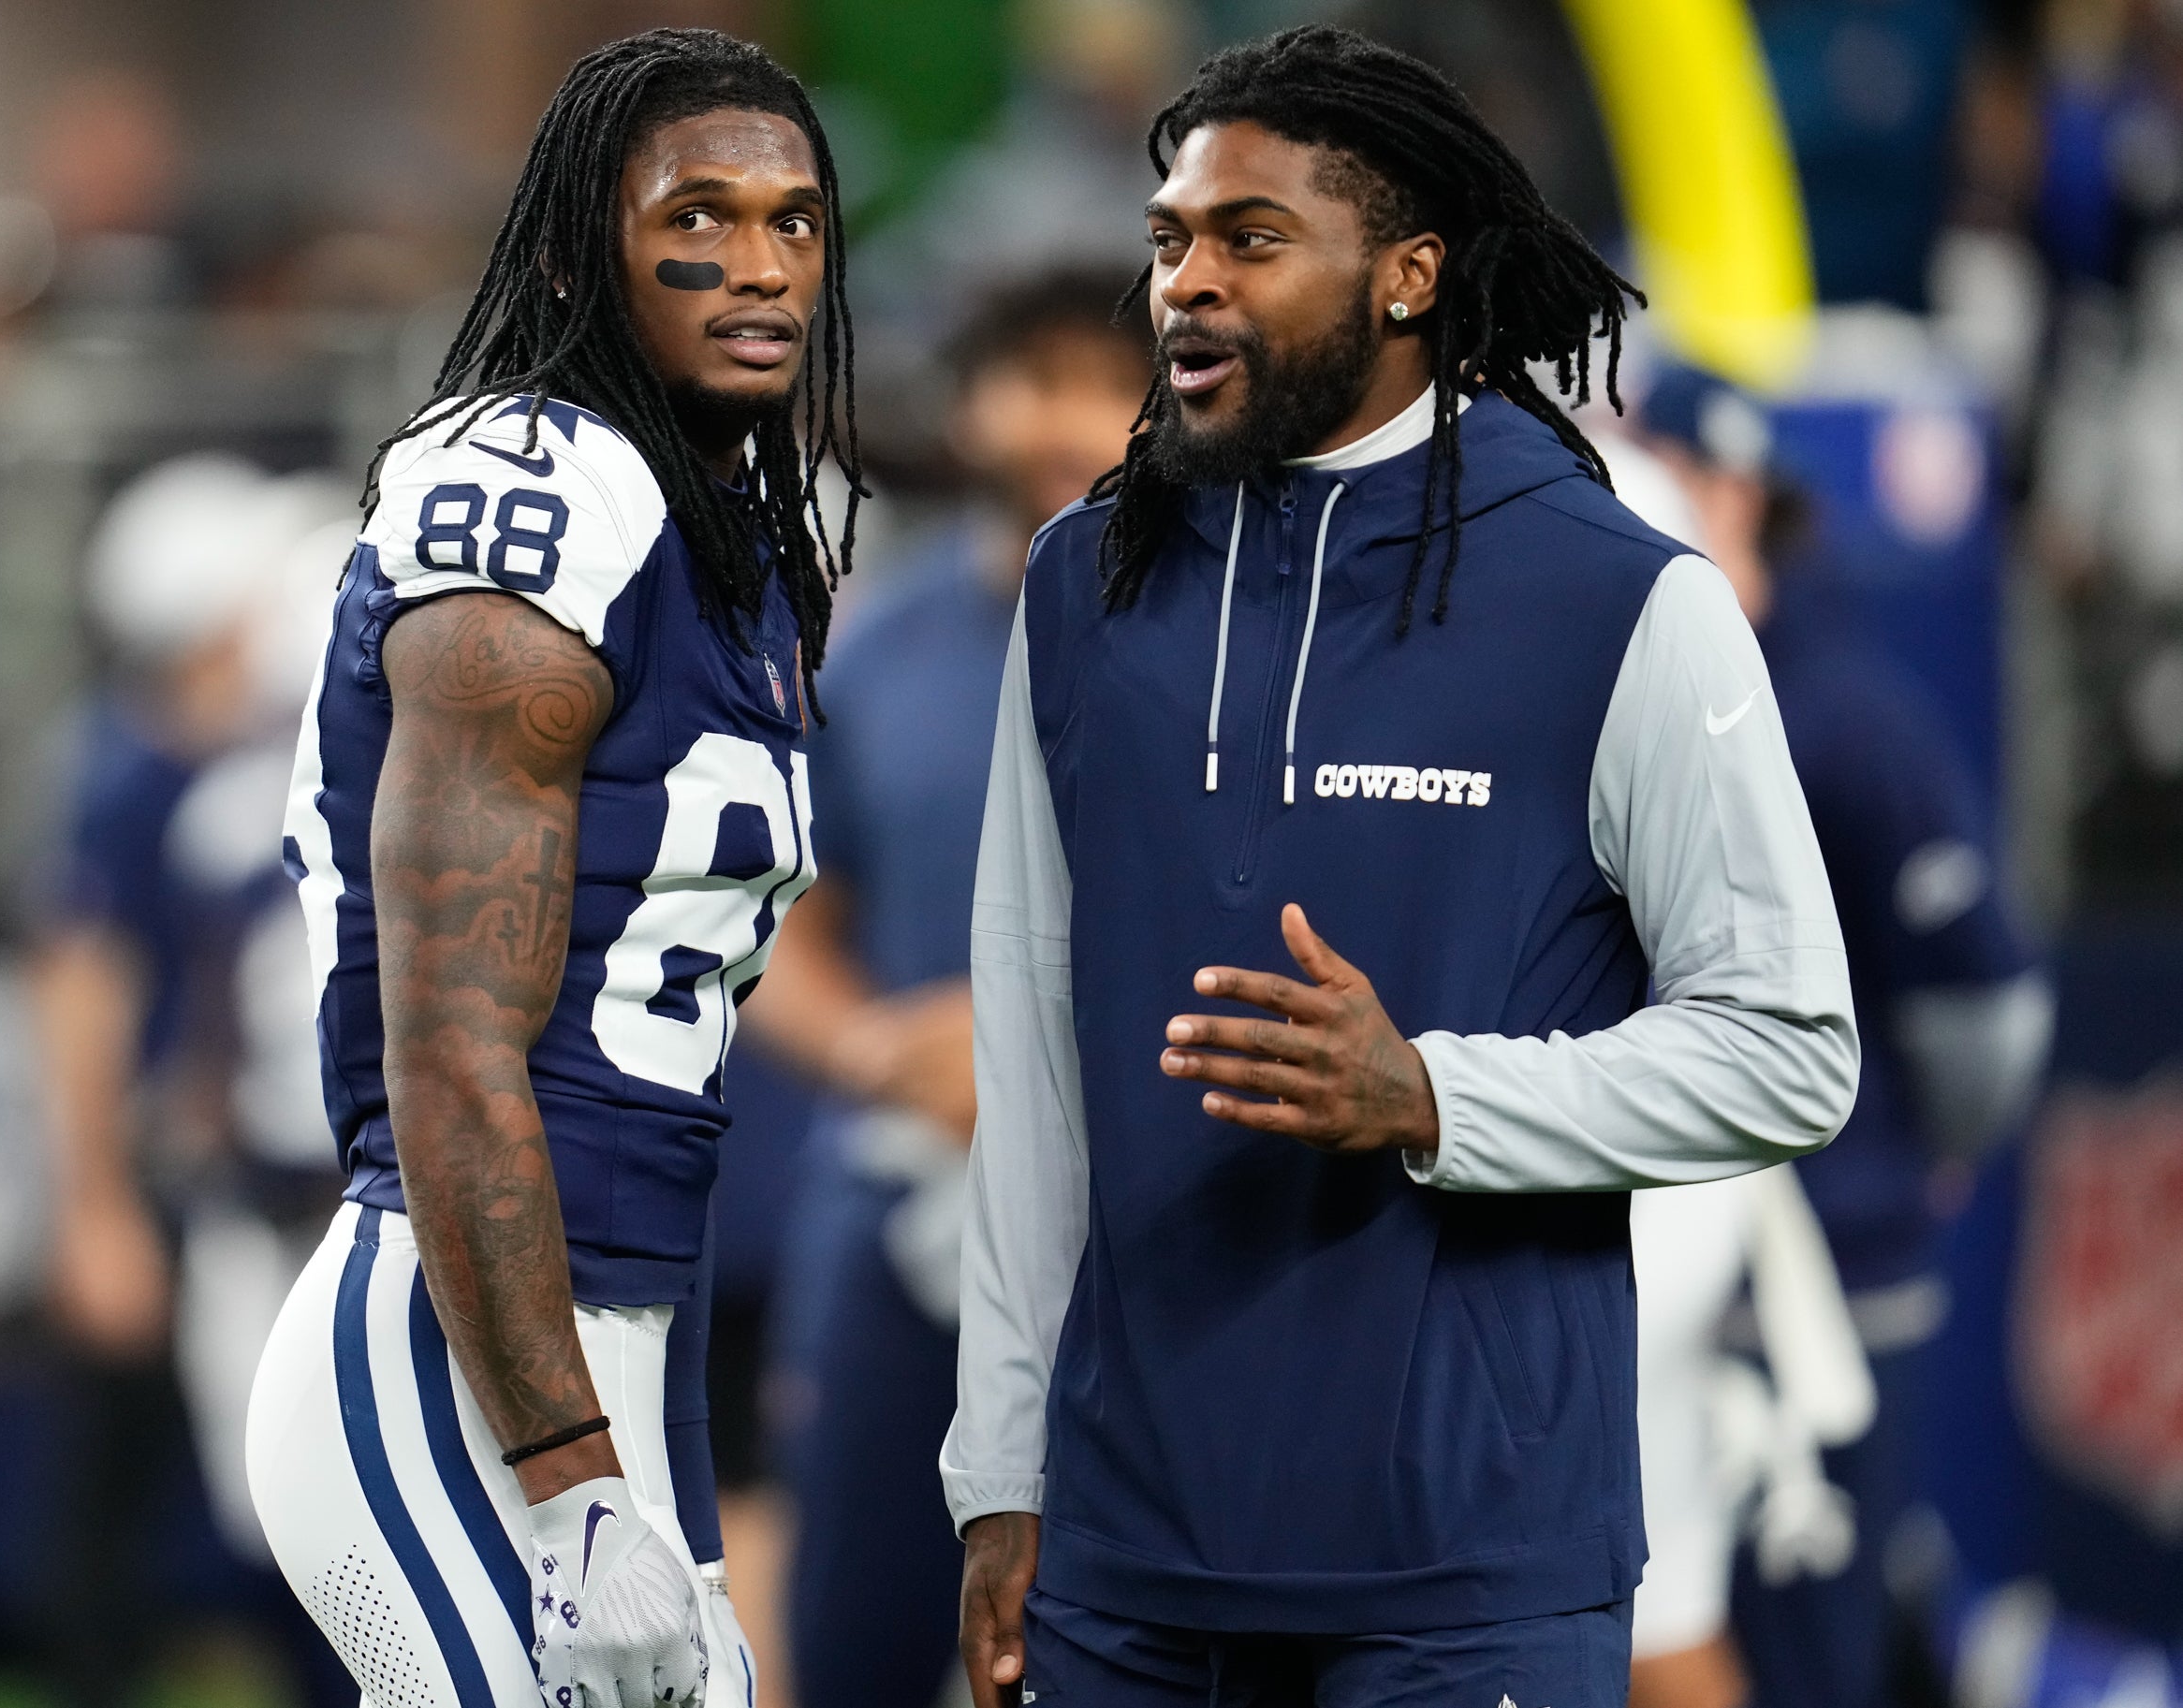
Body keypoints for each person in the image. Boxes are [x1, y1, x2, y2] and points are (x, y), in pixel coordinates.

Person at [946, 26, 1860, 1708]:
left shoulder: (1619, 599)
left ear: (1407, 275)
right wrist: (998, 1471)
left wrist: (1436, 1098)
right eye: (1168, 243)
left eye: (1250, 240)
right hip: (1123, 1561)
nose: (1186, 287)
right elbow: (1030, 1051)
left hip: (1469, 1578)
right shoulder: (1084, 583)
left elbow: (1790, 1048)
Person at [243, 28, 858, 1708]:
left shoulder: (720, 535)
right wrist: (575, 1484)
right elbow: (450, 1045)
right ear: (594, 237)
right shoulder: (536, 488)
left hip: (623, 1338)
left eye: (794, 221)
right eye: (701, 215)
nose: (758, 264)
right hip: (454, 1354)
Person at [740, 265, 1149, 1708]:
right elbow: (767, 926)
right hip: (909, 1194)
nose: (1061, 419)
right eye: (1028, 376)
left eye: (1105, 382)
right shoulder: (883, 642)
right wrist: (870, 1045)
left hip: (1141, 1207)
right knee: (850, 1624)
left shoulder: (1233, 634)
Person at [1632, 366, 2051, 1708]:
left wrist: (1885, 1163)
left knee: (1806, 1642)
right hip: (1637, 1262)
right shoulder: (1601, 692)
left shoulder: (1847, 713)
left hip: (1818, 1259)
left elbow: (1983, 1007)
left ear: (1731, 489)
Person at [28, 453, 353, 1708]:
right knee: (181, 1487)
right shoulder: (171, 781)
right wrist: (97, 1197)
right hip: (218, 1179)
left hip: (315, 1185)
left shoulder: (289, 776)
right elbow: (88, 985)